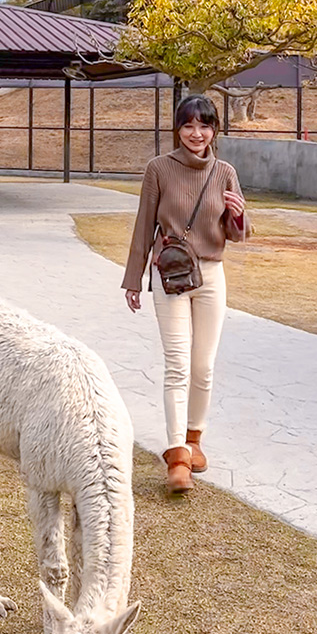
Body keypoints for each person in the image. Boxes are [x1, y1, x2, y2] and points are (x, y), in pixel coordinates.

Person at [121, 94, 249, 495]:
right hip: (170, 276)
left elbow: (236, 234)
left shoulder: (225, 172)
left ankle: (195, 440)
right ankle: (177, 455)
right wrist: (132, 278)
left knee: (203, 367)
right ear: (177, 128)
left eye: (205, 126)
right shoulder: (158, 169)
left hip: (211, 274)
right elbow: (144, 226)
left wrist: (239, 215)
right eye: (189, 125)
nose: (197, 134)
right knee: (177, 365)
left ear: (214, 130)